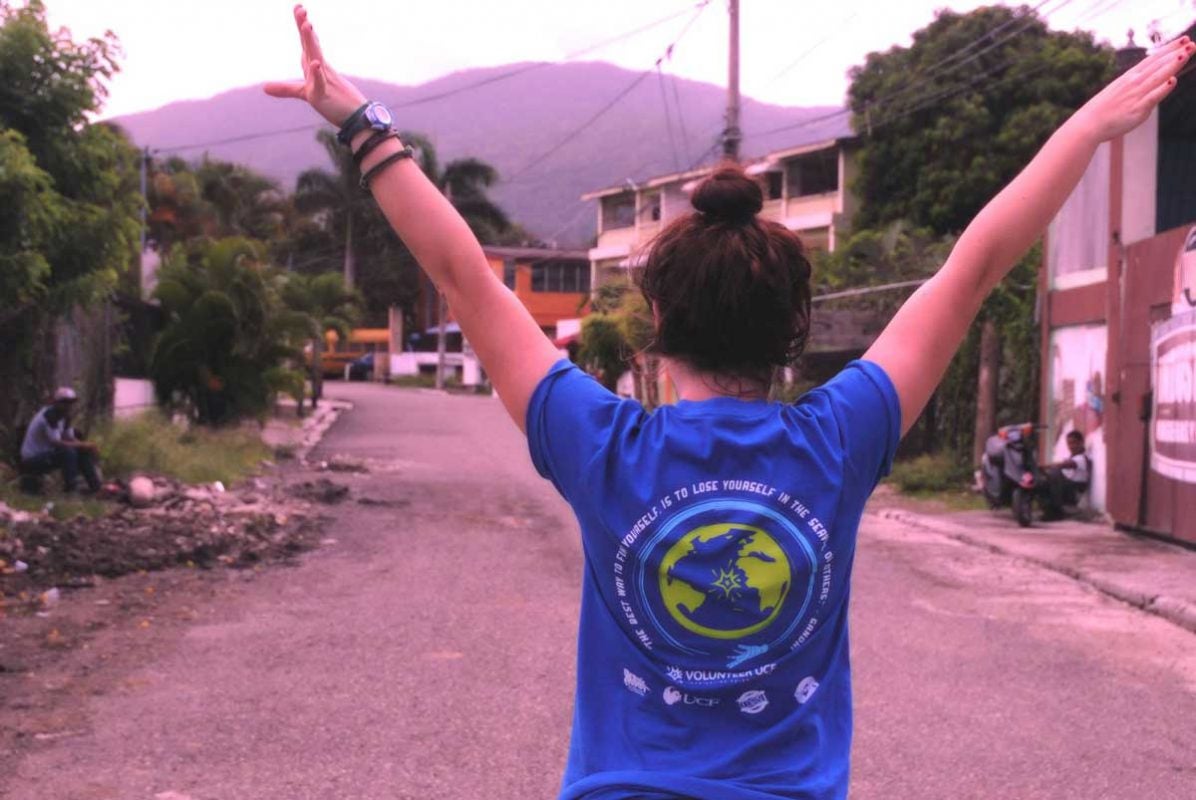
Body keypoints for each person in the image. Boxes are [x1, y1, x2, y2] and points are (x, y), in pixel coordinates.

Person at [266, 8, 1189, 798]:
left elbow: (462, 276)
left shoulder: (603, 445)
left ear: (656, 320)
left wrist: (364, 126)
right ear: (796, 326)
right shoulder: (842, 436)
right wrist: (1087, 128)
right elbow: (977, 263)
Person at [19, 387, 102, 494]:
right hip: (32, 460)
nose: (68, 406)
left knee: (81, 451)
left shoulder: (65, 416)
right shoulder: (49, 415)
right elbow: (57, 442)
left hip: (47, 455)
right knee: (67, 452)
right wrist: (84, 445)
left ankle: (96, 488)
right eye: (65, 402)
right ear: (56, 402)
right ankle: (71, 489)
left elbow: (70, 438)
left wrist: (86, 446)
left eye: (71, 402)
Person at [1043, 430, 1091, 520]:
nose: (1071, 446)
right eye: (1069, 443)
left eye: (1074, 443)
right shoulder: (1073, 457)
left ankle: (1057, 511)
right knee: (1045, 480)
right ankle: (1049, 510)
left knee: (1055, 472)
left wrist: (1044, 466)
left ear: (1081, 442)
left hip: (1074, 492)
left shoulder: (1082, 458)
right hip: (1069, 489)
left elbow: (1064, 465)